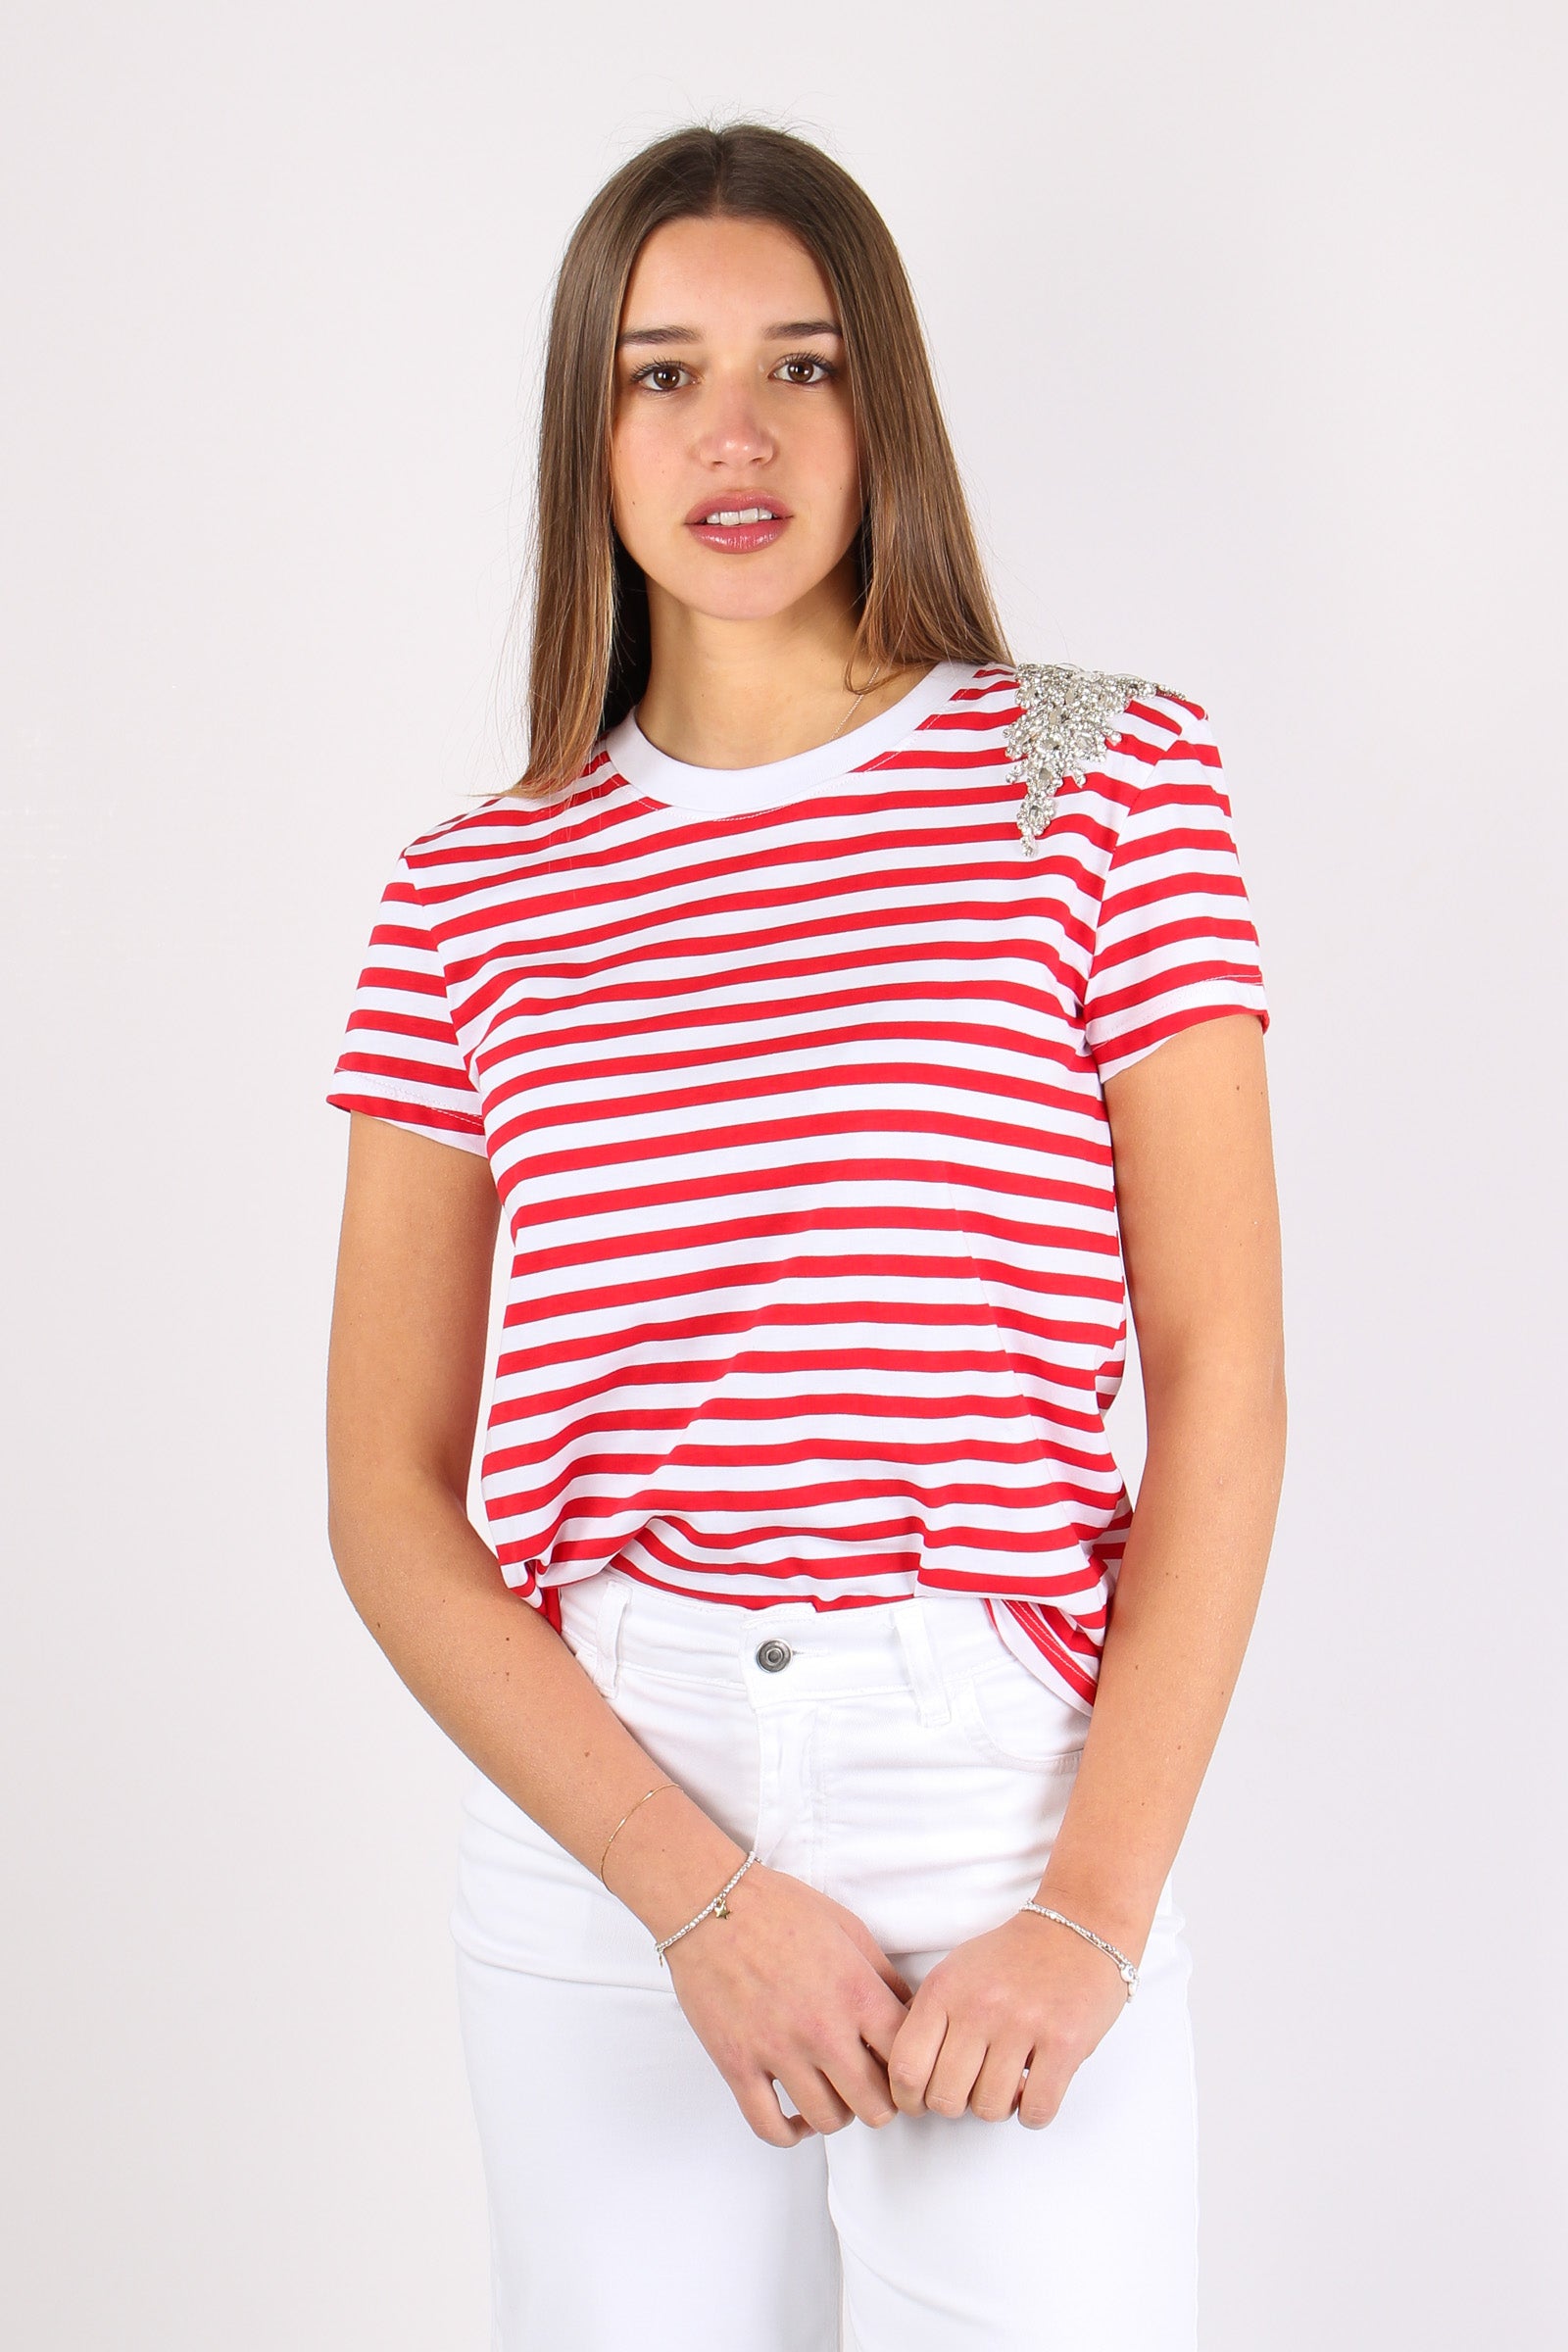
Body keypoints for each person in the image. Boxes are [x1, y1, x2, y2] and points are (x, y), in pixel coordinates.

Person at [323, 120, 1286, 2352]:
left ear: (887, 407)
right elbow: (383, 1494)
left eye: (803, 364)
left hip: (1004, 1795)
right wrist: (693, 1900)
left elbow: (1223, 1384)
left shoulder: (1097, 773)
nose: (731, 434)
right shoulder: (467, 891)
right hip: (615, 1813)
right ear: (585, 431)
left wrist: (1091, 1912)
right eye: (659, 373)